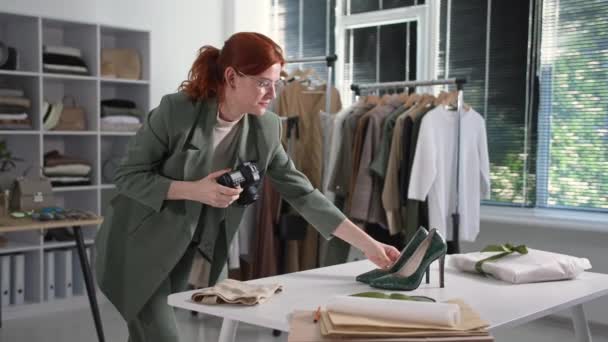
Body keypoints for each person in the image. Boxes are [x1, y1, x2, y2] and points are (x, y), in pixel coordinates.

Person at [94, 32, 400, 342]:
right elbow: (128, 176)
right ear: (231, 77)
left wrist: (368, 245)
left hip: (181, 250)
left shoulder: (265, 127)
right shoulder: (177, 111)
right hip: (135, 245)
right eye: (263, 83)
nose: (272, 93)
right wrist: (194, 190)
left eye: (276, 83)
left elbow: (303, 193)